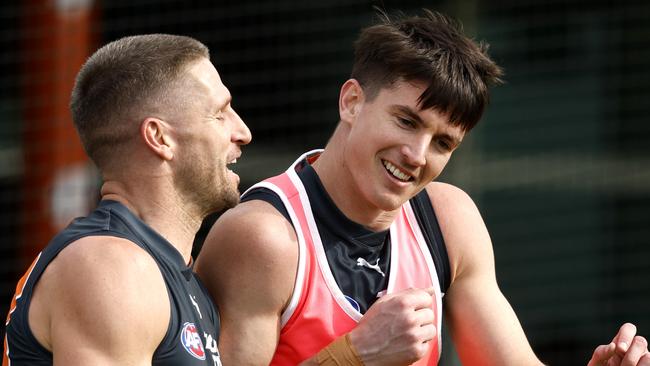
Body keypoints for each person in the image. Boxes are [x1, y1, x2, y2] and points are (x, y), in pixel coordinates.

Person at [194, 10, 650, 366]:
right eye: (406, 121)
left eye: (443, 142)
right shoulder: (265, 238)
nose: (416, 154)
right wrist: (355, 356)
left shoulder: (448, 218)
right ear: (352, 101)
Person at [3, 34, 251, 365]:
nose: (243, 131)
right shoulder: (110, 267)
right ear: (160, 138)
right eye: (220, 113)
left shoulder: (175, 276)